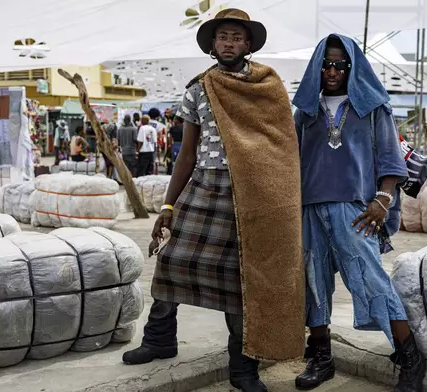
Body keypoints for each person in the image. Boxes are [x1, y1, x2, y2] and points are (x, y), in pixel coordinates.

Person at [121, 8, 304, 392]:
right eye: (223, 37)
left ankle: (242, 366)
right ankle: (159, 339)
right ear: (212, 44)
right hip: (205, 185)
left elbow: (281, 148)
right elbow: (187, 153)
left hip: (251, 192)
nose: (229, 43)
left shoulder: (268, 86)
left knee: (243, 278)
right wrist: (168, 206)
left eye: (237, 37)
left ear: (248, 44)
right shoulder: (198, 89)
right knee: (173, 261)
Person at [292, 34, 426, 392]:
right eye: (326, 64)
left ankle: (410, 357)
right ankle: (321, 358)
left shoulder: (372, 107)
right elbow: (290, 162)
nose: (333, 71)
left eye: (340, 65)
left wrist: (382, 199)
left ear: (351, 68)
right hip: (309, 209)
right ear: (317, 67)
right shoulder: (304, 111)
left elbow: (390, 158)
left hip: (356, 210)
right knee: (313, 284)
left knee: (371, 280)